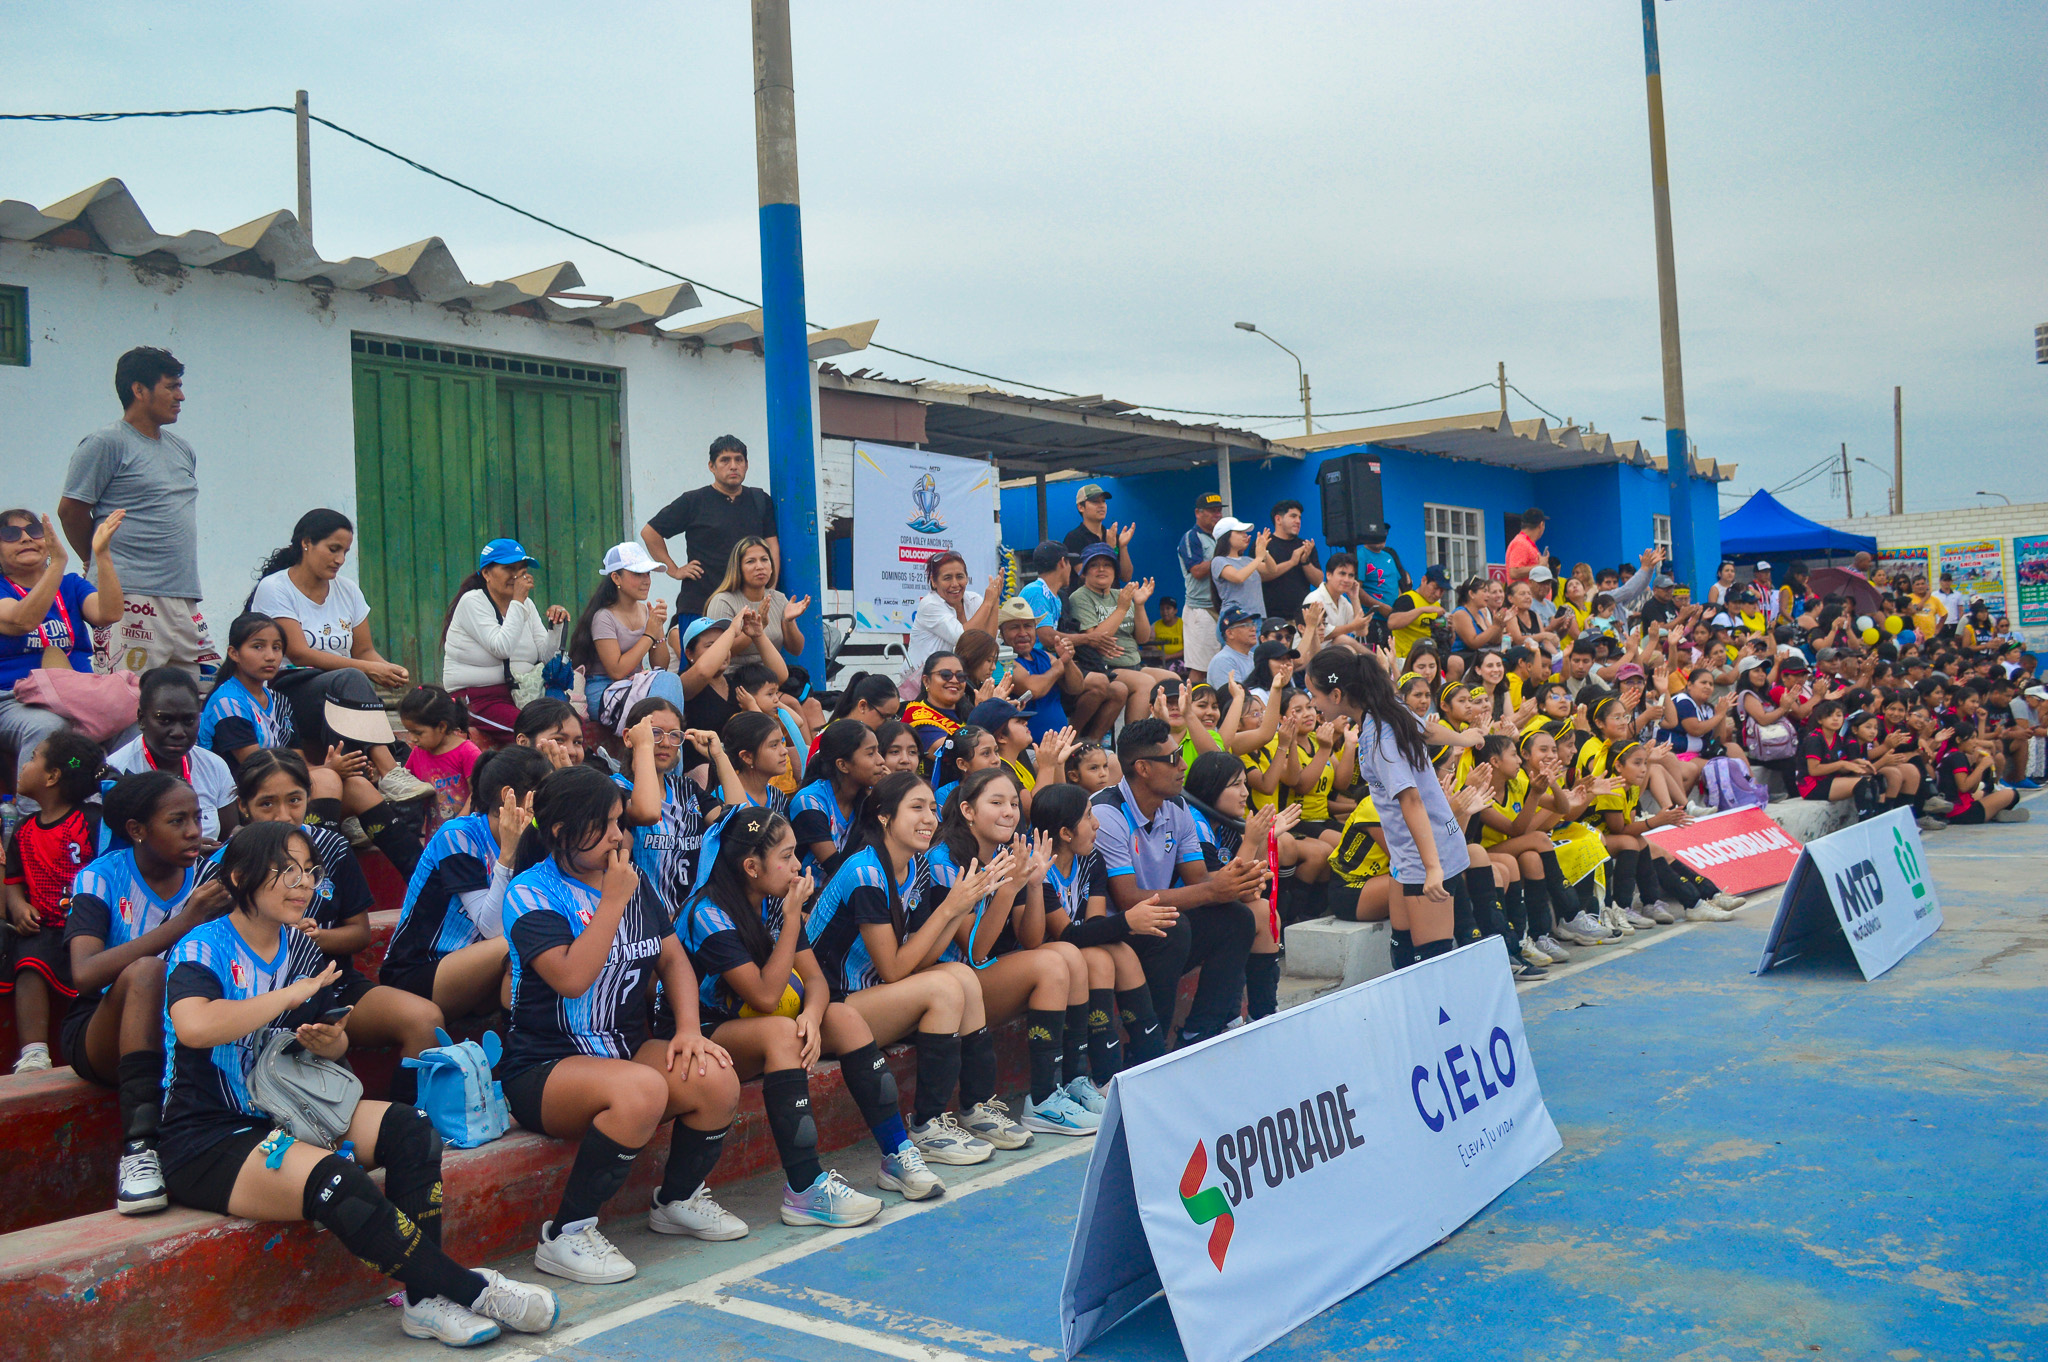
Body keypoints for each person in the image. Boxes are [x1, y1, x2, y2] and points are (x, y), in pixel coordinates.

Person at [163, 820, 559, 1345]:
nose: (304, 883)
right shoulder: (202, 948)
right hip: (211, 1135)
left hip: (288, 1109)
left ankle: (423, 1304)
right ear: (240, 876)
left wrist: (331, 1044)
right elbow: (194, 1026)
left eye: (309, 870)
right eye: (287, 871)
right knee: (339, 1182)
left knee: (413, 1127)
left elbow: (330, 1041)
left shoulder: (300, 947)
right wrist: (285, 997)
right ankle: (470, 1289)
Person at [502, 766, 747, 1285]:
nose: (620, 836)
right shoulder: (530, 892)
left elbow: (674, 960)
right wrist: (612, 901)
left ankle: (677, 1199)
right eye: (606, 825)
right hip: (544, 1067)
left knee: (715, 1075)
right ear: (562, 834)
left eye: (620, 822)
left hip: (625, 1049)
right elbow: (571, 978)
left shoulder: (634, 884)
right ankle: (566, 1233)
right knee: (641, 1090)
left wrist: (687, 1030)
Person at [676, 808, 926, 1217]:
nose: (798, 865)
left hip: (758, 1022)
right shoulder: (710, 912)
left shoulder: (772, 900)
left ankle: (897, 1152)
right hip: (704, 1033)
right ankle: (805, 1189)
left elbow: (816, 981)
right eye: (788, 856)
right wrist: (793, 918)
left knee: (841, 1017)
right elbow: (763, 996)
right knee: (779, 1032)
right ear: (752, 867)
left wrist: (811, 1016)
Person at [201, 748, 447, 1102]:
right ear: (243, 806)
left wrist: (319, 938)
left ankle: (411, 1115)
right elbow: (209, 943)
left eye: (295, 800)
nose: (284, 815)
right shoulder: (227, 865)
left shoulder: (330, 845)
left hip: (331, 984)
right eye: (267, 804)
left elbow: (360, 933)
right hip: (252, 995)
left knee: (426, 1020)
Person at [803, 772, 1005, 1166]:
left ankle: (975, 1107)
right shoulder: (865, 872)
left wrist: (959, 909)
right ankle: (927, 1126)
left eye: (932, 808)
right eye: (916, 808)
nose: (929, 817)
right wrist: (950, 909)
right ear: (883, 816)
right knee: (943, 989)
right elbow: (896, 970)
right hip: (829, 1012)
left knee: (960, 975)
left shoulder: (916, 866)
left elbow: (921, 958)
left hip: (870, 999)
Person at [65, 771, 226, 1214]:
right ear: (136, 830)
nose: (194, 830)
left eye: (197, 816)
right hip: (103, 1031)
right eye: (177, 820)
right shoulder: (99, 879)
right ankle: (140, 1148)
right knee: (147, 973)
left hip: (184, 1027)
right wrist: (181, 924)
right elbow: (84, 974)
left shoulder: (210, 875)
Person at [1091, 718, 1259, 1047]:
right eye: (1173, 758)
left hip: (1157, 921)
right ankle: (1148, 1053)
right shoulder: (1106, 812)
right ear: (1142, 768)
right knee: (1173, 928)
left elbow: (1198, 881)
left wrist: (1237, 881)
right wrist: (1213, 888)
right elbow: (1128, 899)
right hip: (1113, 929)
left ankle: (1200, 1032)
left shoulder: (1177, 807)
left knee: (1238, 918)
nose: (1183, 765)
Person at [59, 347, 219, 678]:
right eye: (171, 386)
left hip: (183, 596)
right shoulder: (106, 442)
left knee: (203, 694)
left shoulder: (181, 448)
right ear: (139, 390)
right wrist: (93, 557)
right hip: (130, 597)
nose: (181, 396)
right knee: (128, 699)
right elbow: (71, 511)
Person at [1305, 649, 1470, 969]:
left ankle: (1440, 1020)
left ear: (1337, 694)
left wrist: (1432, 868)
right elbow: (1427, 729)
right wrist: (1467, 737)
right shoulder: (1386, 711)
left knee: (1430, 962)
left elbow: (1410, 799)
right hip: (1409, 856)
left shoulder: (1380, 736)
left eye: (1314, 695)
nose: (1314, 704)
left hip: (1425, 852)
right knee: (1405, 954)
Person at [382, 746, 555, 1019]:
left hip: (479, 967)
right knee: (521, 937)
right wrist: (508, 855)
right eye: (542, 795)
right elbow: (492, 928)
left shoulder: (534, 837)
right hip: (420, 972)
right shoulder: (460, 836)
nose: (548, 805)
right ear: (508, 797)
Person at [246, 510, 417, 784]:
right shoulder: (276, 588)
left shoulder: (348, 590)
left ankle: (355, 792)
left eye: (346, 552)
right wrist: (367, 669)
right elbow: (298, 652)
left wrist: (389, 669)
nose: (340, 560)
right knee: (350, 681)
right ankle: (391, 772)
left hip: (340, 693)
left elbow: (363, 651)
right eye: (333, 549)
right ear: (306, 543)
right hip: (290, 689)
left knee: (350, 693)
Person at [0, 505, 127, 794]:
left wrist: (102, 555)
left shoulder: (71, 585)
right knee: (49, 727)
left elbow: (109, 612)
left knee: (130, 719)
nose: (25, 538)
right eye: (10, 533)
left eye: (33, 531)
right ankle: (28, 819)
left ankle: (121, 806)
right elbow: (23, 619)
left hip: (76, 696)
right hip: (12, 699)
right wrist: (57, 563)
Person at [3, 729, 102, 1072]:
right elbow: (13, 881)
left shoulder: (90, 820)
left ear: (52, 776)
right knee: (28, 963)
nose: (25, 765)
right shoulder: (24, 829)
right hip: (44, 929)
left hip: (87, 926)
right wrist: (17, 906)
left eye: (32, 759)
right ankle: (33, 1053)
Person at [439, 538, 571, 745]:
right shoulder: (472, 602)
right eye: (509, 569)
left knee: (572, 725)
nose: (517, 576)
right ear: (486, 574)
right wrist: (517, 601)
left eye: (522, 569)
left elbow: (544, 656)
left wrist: (556, 625)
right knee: (536, 734)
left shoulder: (526, 603)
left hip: (520, 694)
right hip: (478, 698)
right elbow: (501, 648)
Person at [639, 435, 779, 622]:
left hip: (748, 607)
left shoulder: (760, 500)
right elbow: (650, 533)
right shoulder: (694, 501)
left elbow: (772, 546)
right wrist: (674, 570)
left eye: (739, 459)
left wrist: (770, 590)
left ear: (746, 464)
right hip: (701, 606)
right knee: (701, 653)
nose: (733, 466)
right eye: (725, 460)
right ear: (711, 466)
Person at [106, 667, 239, 842]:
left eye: (188, 720)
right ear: (141, 719)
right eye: (164, 720)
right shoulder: (117, 770)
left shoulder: (214, 765)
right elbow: (115, 849)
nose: (178, 732)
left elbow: (228, 839)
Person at [568, 541, 685, 732]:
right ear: (616, 578)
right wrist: (649, 633)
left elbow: (660, 666)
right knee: (664, 702)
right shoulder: (603, 617)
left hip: (635, 685)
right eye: (638, 574)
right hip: (604, 690)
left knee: (670, 681)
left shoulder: (646, 612)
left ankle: (667, 752)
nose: (646, 580)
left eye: (647, 573)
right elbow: (616, 671)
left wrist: (658, 630)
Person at [198, 612, 293, 777]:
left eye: (276, 647)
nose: (270, 656)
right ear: (234, 653)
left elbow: (297, 757)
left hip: (278, 780)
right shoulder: (227, 702)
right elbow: (257, 766)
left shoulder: (280, 701)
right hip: (237, 790)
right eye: (258, 647)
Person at [789, 719, 885, 870]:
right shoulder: (810, 801)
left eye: (878, 751)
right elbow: (835, 870)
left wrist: (884, 796)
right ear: (843, 765)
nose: (881, 760)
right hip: (812, 891)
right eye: (870, 753)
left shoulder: (864, 797)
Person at [705, 536, 808, 671]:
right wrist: (757, 629)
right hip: (734, 679)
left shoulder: (779, 598)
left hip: (772, 678)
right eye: (750, 561)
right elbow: (719, 653)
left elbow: (796, 650)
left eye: (764, 560)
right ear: (738, 568)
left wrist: (789, 621)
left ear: (772, 567)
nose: (759, 566)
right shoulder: (723, 601)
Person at [905, 551, 999, 685]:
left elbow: (988, 644)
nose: (955, 584)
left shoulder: (974, 600)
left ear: (967, 579)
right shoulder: (929, 604)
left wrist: (995, 602)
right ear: (933, 581)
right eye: (947, 578)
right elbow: (962, 638)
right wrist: (989, 602)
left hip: (957, 683)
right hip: (924, 686)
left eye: (960, 576)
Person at [400, 685, 482, 835]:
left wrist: (457, 825)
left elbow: (478, 793)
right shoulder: (418, 753)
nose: (412, 739)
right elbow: (404, 785)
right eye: (409, 732)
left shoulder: (467, 752)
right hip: (436, 839)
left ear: (442, 726)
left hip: (466, 836)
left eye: (417, 732)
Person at [996, 598, 1076, 740]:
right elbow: (1033, 690)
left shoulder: (1044, 655)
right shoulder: (1001, 659)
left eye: (1028, 626)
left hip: (1061, 745)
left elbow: (1076, 687)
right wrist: (1059, 666)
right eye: (1014, 627)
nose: (1023, 633)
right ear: (1002, 633)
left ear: (1035, 629)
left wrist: (1068, 661)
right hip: (1027, 752)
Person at [1176, 493, 1224, 676]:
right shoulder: (1191, 537)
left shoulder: (1221, 537)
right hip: (1200, 609)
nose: (1217, 515)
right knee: (1200, 668)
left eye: (1219, 511)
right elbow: (1196, 571)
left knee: (1221, 665)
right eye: (1212, 511)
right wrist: (1222, 558)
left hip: (1221, 607)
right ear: (1198, 512)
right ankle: (1195, 703)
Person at [1262, 500, 1323, 622]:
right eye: (1293, 516)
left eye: (1300, 517)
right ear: (1278, 519)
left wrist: (1305, 562)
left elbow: (1319, 582)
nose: (1298, 521)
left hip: (1302, 617)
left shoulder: (1305, 545)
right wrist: (1292, 562)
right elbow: (1262, 576)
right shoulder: (1264, 544)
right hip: (1272, 619)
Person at [1210, 518, 1279, 623]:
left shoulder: (1247, 561)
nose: (1245, 535)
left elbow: (1272, 570)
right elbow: (1238, 577)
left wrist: (1264, 551)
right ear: (1225, 536)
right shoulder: (1218, 561)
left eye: (1244, 532)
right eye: (1239, 532)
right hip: (1236, 619)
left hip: (1257, 617)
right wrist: (1258, 558)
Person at [1062, 484, 1134, 582]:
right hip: (1087, 597)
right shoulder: (1074, 537)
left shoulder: (1111, 536)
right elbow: (1086, 576)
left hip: (1112, 597)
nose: (1101, 505)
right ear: (1080, 507)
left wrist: (1123, 546)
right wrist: (1110, 548)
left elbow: (1126, 577)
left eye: (1103, 501)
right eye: (1095, 502)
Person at [1303, 553, 1368, 649]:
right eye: (1342, 574)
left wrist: (1354, 598)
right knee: (1343, 640)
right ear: (1328, 575)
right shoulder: (1315, 599)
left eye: (1351, 575)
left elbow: (1362, 632)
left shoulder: (1344, 601)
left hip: (1333, 655)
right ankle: (1377, 660)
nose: (1346, 580)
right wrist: (1353, 626)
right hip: (1311, 656)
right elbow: (1320, 635)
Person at [1389, 565, 1449, 660]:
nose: (1438, 594)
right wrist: (1422, 610)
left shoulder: (1437, 606)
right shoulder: (1408, 599)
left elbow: (1444, 641)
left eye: (1442, 591)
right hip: (1406, 658)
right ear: (1424, 580)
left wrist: (1451, 630)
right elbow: (1392, 623)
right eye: (1435, 587)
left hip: (1430, 658)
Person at [1207, 605, 1260, 689]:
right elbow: (1233, 698)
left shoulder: (1253, 657)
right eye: (1246, 625)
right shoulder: (1223, 660)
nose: (1253, 629)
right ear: (1230, 633)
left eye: (1253, 624)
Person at [1506, 508, 1546, 583]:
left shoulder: (1527, 543)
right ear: (1541, 525)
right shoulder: (1521, 543)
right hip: (1523, 593)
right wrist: (1540, 566)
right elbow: (1514, 572)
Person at [1151, 596, 1184, 667]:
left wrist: (1169, 656)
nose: (1165, 611)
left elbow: (1189, 648)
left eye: (1168, 608)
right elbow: (1148, 644)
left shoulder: (1183, 625)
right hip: (1158, 660)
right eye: (1162, 609)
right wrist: (1160, 654)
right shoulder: (1155, 625)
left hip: (1180, 660)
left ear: (1175, 610)